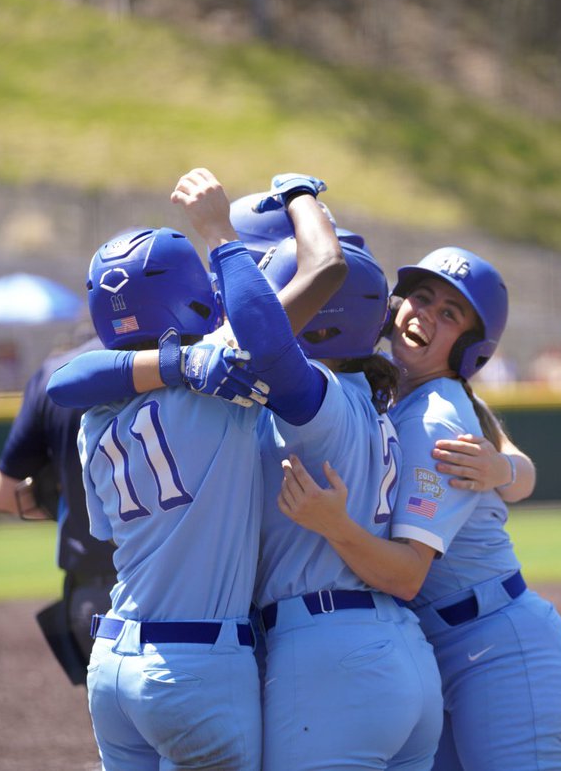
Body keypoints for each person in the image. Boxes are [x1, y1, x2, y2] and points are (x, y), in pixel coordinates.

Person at [49, 175, 446, 770]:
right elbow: (307, 288)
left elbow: (65, 388)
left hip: (114, 661)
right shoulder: (227, 381)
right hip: (206, 660)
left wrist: (177, 361)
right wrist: (224, 232)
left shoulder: (94, 417)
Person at [279, 246, 561, 771]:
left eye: (449, 313)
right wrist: (508, 470)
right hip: (440, 644)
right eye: (420, 298)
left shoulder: (436, 416)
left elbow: (408, 577)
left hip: (497, 646)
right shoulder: (394, 393)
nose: (425, 314)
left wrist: (335, 526)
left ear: (470, 346)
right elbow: (515, 466)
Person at [0, 335, 117, 687]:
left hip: (93, 598)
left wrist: (75, 505)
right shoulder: (180, 358)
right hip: (184, 591)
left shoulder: (54, 372)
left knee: (117, 736)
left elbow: (4, 495)